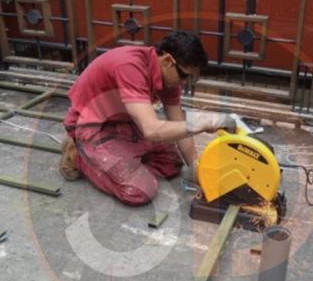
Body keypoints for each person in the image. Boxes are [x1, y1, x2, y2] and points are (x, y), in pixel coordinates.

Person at [60, 30, 236, 206]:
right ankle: (80, 157)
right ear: (167, 61)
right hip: (92, 126)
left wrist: (195, 167)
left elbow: (179, 125)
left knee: (172, 165)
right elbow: (151, 130)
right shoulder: (130, 67)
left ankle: (120, 158)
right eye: (184, 75)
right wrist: (204, 122)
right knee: (140, 190)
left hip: (123, 123)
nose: (184, 82)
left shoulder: (168, 78)